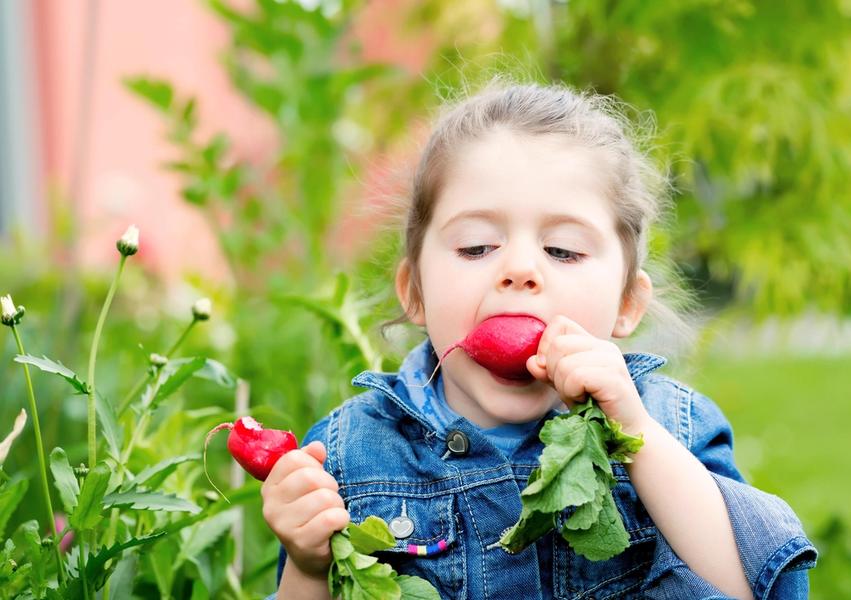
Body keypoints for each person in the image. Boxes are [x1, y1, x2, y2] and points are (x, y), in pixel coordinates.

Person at [263, 80, 817, 599]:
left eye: (564, 251)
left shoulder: (670, 427)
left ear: (626, 304)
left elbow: (755, 586)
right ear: (416, 293)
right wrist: (309, 566)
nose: (521, 269)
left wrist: (636, 436)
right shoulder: (348, 453)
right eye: (477, 247)